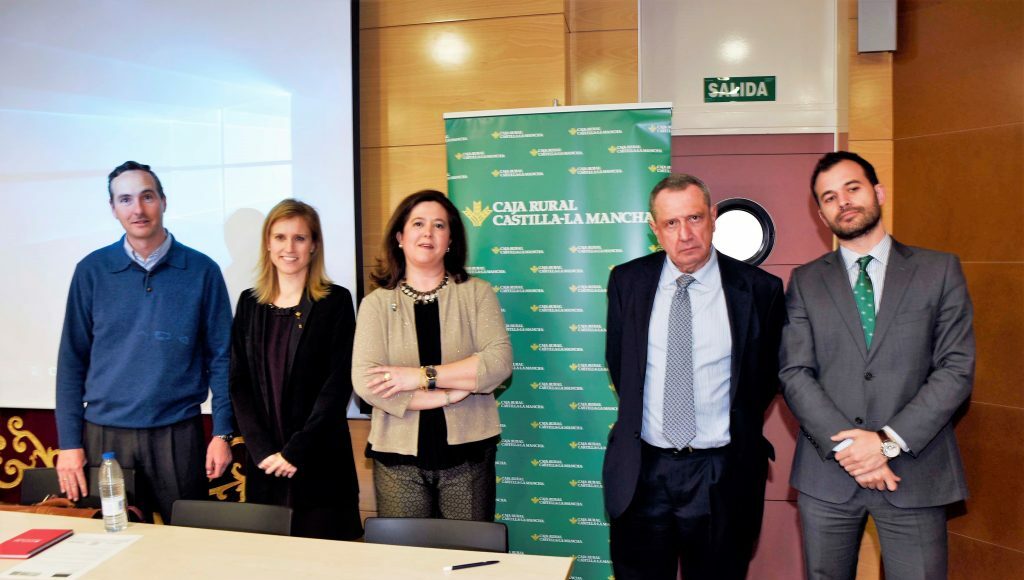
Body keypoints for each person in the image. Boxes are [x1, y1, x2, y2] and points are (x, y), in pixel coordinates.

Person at [780, 151, 974, 579]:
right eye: (830, 197)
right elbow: (794, 373)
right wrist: (852, 450)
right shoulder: (806, 281)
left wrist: (884, 443)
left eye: (853, 188)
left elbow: (956, 370)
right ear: (821, 215)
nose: (844, 202)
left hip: (915, 473)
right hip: (828, 476)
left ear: (878, 193)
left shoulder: (938, 270)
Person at [603, 174, 785, 580]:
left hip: (722, 474)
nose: (685, 234)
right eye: (671, 223)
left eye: (694, 218)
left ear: (713, 217)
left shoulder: (760, 289)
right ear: (655, 229)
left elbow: (764, 380)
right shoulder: (627, 282)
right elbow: (621, 362)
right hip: (643, 472)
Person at [55, 160, 234, 522]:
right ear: (113, 208)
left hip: (178, 434)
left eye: (147, 197)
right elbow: (71, 361)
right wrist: (69, 443)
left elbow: (222, 358)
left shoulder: (203, 271)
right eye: (125, 200)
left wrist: (223, 433)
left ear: (163, 201)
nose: (137, 209)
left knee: (186, 541)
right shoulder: (91, 271)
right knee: (110, 543)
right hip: (105, 437)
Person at [352, 189, 512, 521]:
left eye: (439, 225)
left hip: (468, 456)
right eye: (418, 224)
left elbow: (498, 364)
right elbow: (367, 384)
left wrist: (417, 377)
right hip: (397, 459)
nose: (428, 232)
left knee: (468, 551)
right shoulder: (375, 304)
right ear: (400, 237)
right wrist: (449, 395)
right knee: (405, 553)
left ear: (450, 239)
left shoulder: (477, 293)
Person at [229, 199, 362, 540]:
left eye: (300, 238)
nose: (289, 248)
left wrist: (296, 451)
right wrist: (262, 451)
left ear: (314, 245)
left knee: (327, 559)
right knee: (268, 559)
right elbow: (238, 382)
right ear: (267, 243)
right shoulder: (249, 303)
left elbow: (337, 384)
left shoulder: (335, 302)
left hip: (319, 460)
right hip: (266, 465)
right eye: (280, 237)